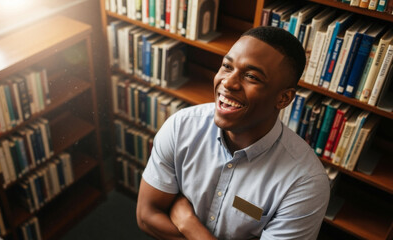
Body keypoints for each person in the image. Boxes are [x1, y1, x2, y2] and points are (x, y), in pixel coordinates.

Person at [136, 26, 330, 240]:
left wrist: (188, 223)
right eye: (227, 66)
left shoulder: (306, 183)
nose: (228, 82)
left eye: (252, 77)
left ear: (283, 98)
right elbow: (147, 216)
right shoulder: (181, 126)